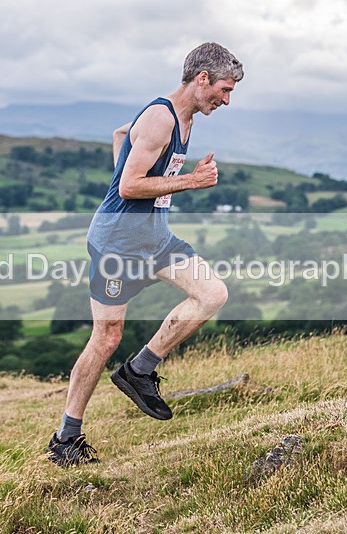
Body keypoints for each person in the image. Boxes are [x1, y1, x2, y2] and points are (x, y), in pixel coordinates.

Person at [46, 42, 244, 466]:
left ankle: (139, 370)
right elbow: (129, 187)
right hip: (116, 242)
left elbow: (121, 134)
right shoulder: (161, 117)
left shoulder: (184, 118)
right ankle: (65, 439)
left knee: (212, 294)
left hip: (154, 239)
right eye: (224, 90)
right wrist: (191, 182)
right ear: (202, 78)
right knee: (106, 338)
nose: (226, 100)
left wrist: (128, 168)